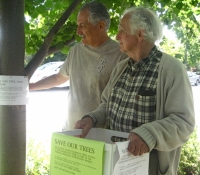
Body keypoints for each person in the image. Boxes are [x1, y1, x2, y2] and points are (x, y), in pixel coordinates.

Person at [74, 7, 195, 175]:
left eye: (122, 31)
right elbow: (106, 105)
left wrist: (149, 134)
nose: (117, 36)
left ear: (140, 35)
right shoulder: (121, 68)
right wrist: (92, 118)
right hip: (116, 164)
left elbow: (184, 122)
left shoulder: (171, 69)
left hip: (150, 168)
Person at [29, 1, 127, 130]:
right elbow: (59, 78)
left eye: (83, 26)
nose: (78, 31)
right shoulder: (76, 51)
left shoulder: (120, 55)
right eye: (78, 26)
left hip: (100, 136)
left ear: (101, 25)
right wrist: (31, 86)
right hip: (71, 131)